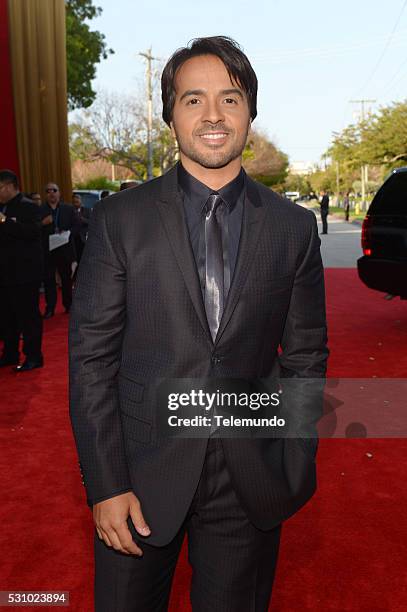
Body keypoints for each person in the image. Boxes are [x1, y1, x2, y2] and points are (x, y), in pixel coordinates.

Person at [69, 36, 328, 611]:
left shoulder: (292, 228)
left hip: (250, 478)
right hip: (139, 471)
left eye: (229, 99)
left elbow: (306, 355)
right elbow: (91, 360)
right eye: (193, 100)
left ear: (250, 112)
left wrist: (294, 459)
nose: (212, 115)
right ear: (170, 116)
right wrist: (106, 483)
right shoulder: (119, 220)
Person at [0, 170, 44, 371]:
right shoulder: (3, 207)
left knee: (29, 317)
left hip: (25, 274)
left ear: (9, 186)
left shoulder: (29, 207)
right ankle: (9, 354)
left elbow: (33, 233)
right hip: (5, 274)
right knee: (7, 318)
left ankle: (34, 356)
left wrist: (5, 221)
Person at [40, 183, 79, 318]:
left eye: (54, 190)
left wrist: (68, 232)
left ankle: (68, 305)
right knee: (49, 280)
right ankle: (50, 308)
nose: (51, 193)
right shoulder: (40, 210)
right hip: (48, 250)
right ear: (45, 195)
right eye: (48, 191)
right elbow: (33, 229)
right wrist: (42, 224)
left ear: (59, 193)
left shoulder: (68, 208)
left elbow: (77, 226)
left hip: (64, 249)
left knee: (66, 279)